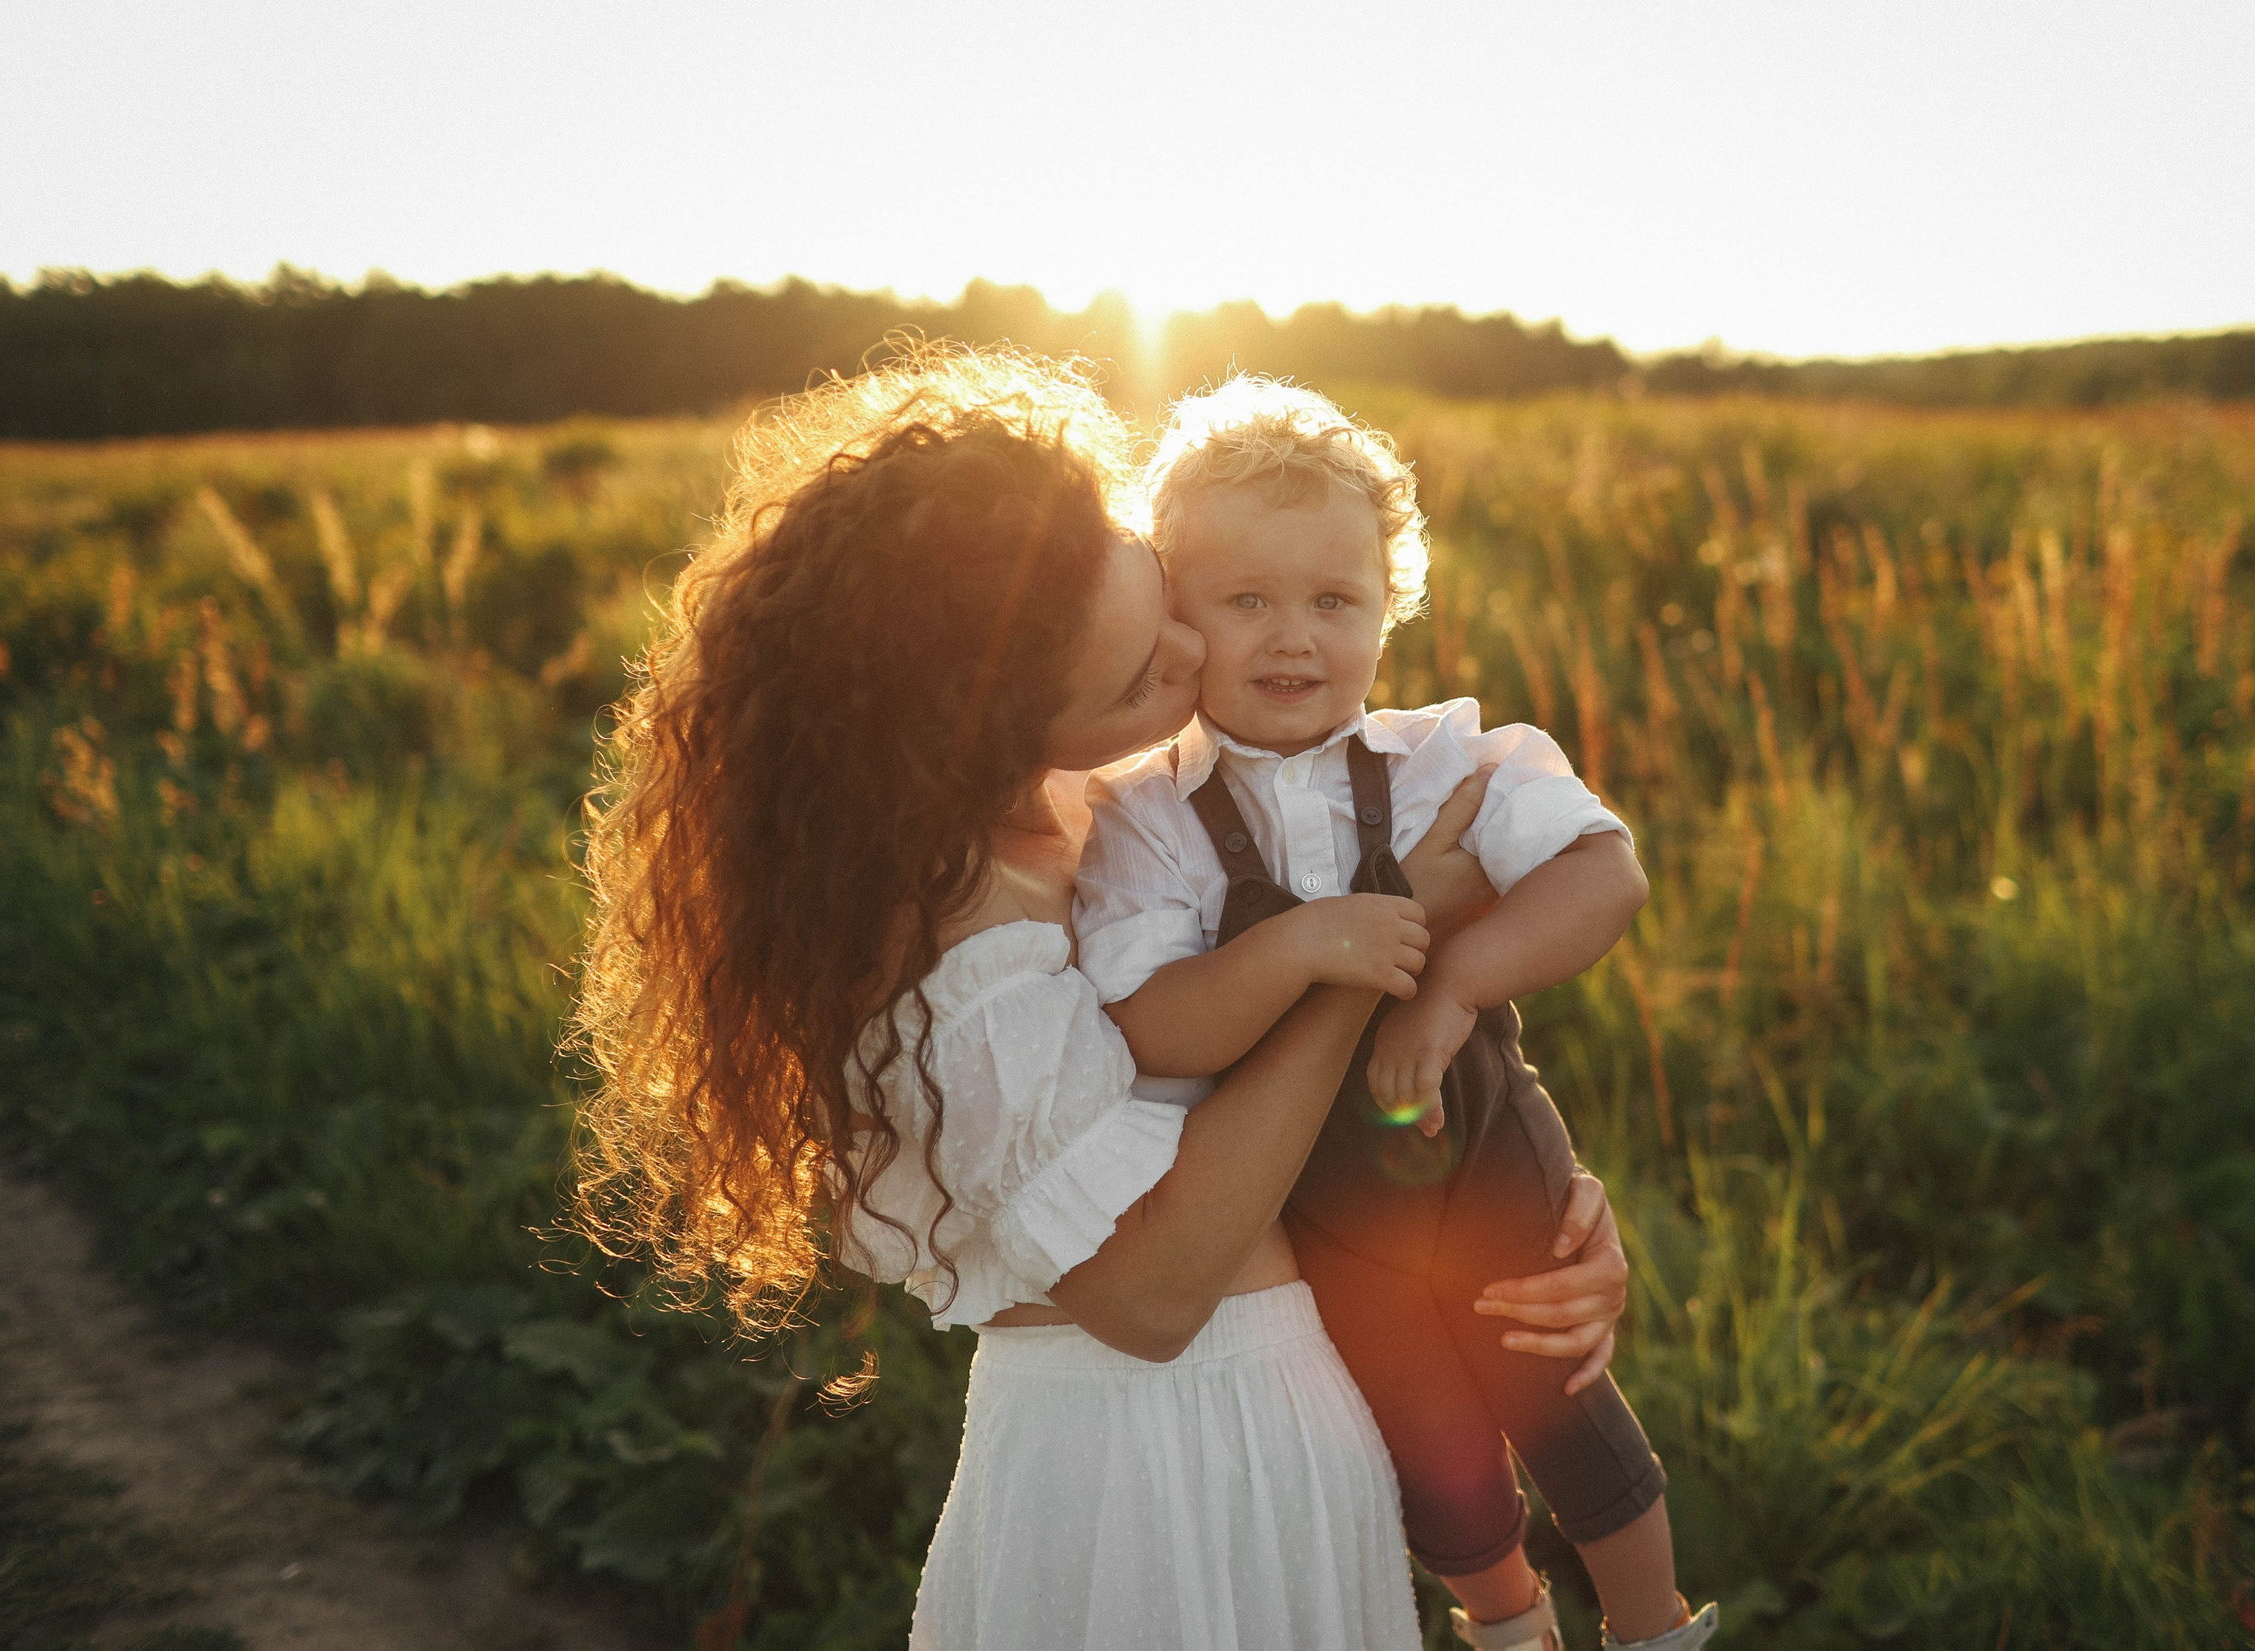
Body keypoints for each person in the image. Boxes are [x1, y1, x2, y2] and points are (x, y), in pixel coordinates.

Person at [568, 346, 1632, 1650]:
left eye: (1167, 604)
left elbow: (1360, 1087)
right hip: (1148, 1463)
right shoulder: (947, 948)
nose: (1197, 658)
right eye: (1140, 672)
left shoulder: (1113, 812)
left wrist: (1531, 1217)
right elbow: (1150, 1291)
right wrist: (1373, 940)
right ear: (984, 721)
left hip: (1298, 1401)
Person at [1074, 377, 1716, 1651]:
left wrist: (1459, 982)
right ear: (1176, 620)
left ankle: (1650, 1626)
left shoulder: (1448, 760)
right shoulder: (1148, 820)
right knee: (1421, 1424)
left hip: (1476, 1142)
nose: (1292, 637)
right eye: (1245, 600)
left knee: (1554, 1380)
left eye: (1333, 601)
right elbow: (1156, 1024)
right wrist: (1309, 948)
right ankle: (1506, 1622)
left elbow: (1605, 875)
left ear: (1388, 605)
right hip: (1327, 1204)